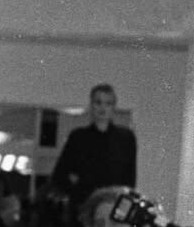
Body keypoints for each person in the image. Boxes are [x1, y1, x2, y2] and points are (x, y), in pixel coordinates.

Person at [49, 83, 137, 211]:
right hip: (84, 208)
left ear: (114, 107)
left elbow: (130, 178)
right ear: (91, 105)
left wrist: (124, 205)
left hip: (113, 208)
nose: (102, 108)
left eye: (108, 103)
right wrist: (78, 191)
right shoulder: (78, 137)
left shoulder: (126, 138)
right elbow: (59, 175)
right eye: (98, 102)